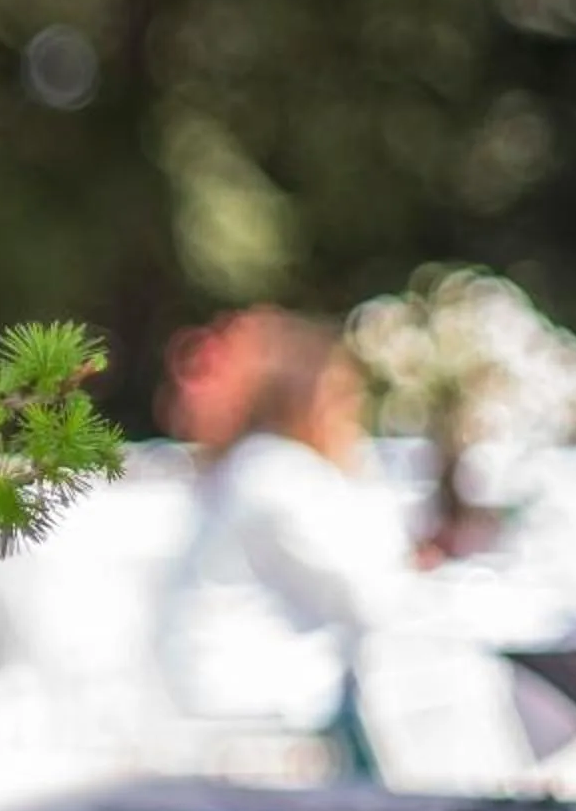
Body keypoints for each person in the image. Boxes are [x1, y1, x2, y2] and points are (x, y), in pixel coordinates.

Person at [156, 310, 418, 765]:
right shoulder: (275, 475)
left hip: (226, 694)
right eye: (341, 396)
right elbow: (371, 597)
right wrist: (356, 463)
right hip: (254, 704)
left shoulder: (256, 466)